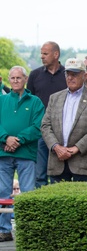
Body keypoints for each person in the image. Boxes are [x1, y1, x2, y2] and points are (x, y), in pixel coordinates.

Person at [40, 58, 87, 183]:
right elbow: (45, 125)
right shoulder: (55, 98)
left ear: (85, 75)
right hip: (57, 161)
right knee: (57, 201)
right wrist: (56, 146)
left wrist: (76, 148)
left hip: (84, 163)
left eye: (75, 74)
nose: (70, 78)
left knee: (84, 202)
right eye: (68, 74)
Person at [0, 66, 44, 240]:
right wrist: (5, 138)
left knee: (27, 193)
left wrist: (17, 140)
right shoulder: (1, 101)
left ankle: (27, 230)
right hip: (3, 153)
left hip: (26, 154)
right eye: (12, 78)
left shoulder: (35, 102)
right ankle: (4, 230)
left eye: (19, 78)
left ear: (25, 79)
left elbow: (38, 126)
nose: (16, 81)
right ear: (8, 80)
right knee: (2, 192)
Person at [26, 41, 66, 186]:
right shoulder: (34, 75)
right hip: (40, 131)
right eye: (41, 53)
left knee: (58, 174)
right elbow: (28, 102)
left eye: (45, 53)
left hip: (62, 131)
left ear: (56, 54)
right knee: (39, 174)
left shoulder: (67, 76)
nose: (42, 57)